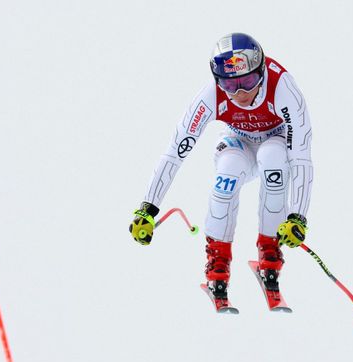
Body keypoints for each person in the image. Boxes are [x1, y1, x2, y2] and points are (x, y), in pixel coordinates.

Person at [129, 33, 313, 307]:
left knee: (273, 158)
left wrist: (298, 215)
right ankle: (217, 262)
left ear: (261, 71)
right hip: (239, 142)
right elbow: (176, 150)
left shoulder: (283, 87)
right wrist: (148, 207)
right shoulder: (210, 97)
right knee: (227, 172)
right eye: (229, 84)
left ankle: (270, 255)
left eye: (247, 82)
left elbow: (301, 156)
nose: (240, 94)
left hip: (276, 140)